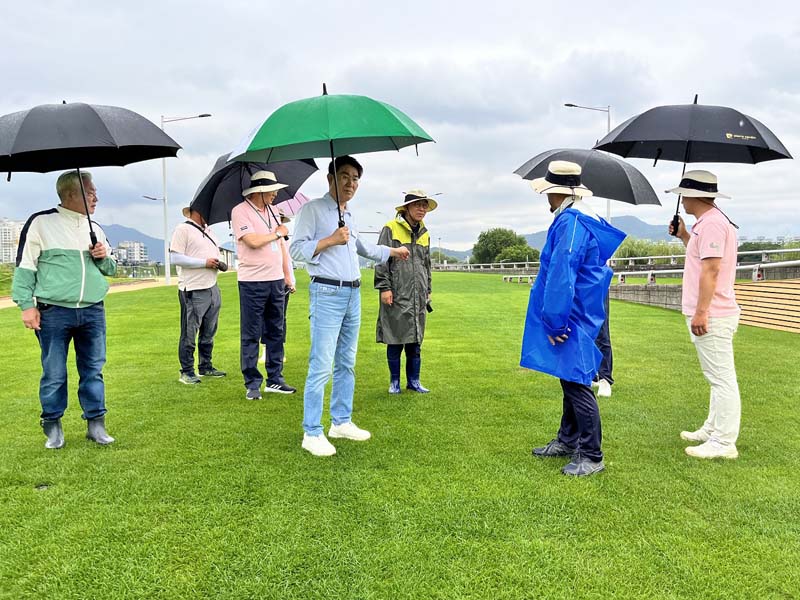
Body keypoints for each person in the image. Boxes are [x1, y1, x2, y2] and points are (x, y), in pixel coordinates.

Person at [290, 156, 410, 457]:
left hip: (353, 294)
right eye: (344, 176)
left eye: (355, 178)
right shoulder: (313, 210)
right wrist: (330, 239)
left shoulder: (349, 215)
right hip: (327, 293)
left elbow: (363, 249)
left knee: (347, 361)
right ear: (330, 178)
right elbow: (295, 248)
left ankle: (340, 421)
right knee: (321, 364)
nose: (350, 183)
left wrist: (393, 250)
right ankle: (312, 431)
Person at [520, 161, 625, 476]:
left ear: (556, 192)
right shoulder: (584, 219)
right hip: (582, 310)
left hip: (572, 313)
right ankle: (567, 440)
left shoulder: (570, 223)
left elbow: (562, 273)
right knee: (570, 378)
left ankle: (591, 454)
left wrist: (555, 321)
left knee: (576, 382)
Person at [12, 170, 117, 449]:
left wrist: (102, 256)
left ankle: (96, 424)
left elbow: (112, 268)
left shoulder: (96, 228)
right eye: (91, 192)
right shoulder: (40, 223)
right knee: (54, 372)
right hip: (53, 312)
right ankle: (53, 426)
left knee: (93, 370)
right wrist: (26, 306)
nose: (97, 197)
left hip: (93, 310)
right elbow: (25, 267)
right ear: (72, 194)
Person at [667, 170, 741, 459]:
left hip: (713, 314)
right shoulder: (706, 225)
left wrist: (701, 312)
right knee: (716, 377)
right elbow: (701, 259)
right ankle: (713, 429)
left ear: (695, 195)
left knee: (721, 378)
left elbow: (711, 270)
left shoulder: (711, 225)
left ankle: (723, 442)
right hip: (715, 312)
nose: (682, 200)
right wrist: (685, 234)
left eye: (684, 195)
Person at [231, 171, 296, 400]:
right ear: (259, 190)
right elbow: (252, 241)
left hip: (276, 280)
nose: (276, 193)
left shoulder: (273, 212)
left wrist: (288, 276)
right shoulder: (240, 211)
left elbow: (282, 248)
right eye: (273, 190)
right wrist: (276, 233)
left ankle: (275, 379)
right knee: (250, 333)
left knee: (276, 331)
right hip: (252, 282)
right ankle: (252, 382)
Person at [374, 190, 437, 394]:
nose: (421, 209)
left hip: (418, 294)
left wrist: (428, 289)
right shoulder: (390, 228)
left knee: (415, 340)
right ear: (407, 207)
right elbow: (381, 258)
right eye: (418, 205)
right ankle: (394, 382)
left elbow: (426, 264)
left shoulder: (425, 233)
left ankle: (414, 381)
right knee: (395, 338)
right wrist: (384, 287)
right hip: (397, 292)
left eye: (424, 205)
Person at [170, 206, 227, 385]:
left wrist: (219, 264)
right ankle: (186, 370)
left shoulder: (209, 232)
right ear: (197, 211)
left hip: (212, 286)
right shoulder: (183, 229)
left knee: (209, 330)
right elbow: (175, 258)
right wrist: (204, 263)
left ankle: (205, 365)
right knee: (189, 331)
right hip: (193, 288)